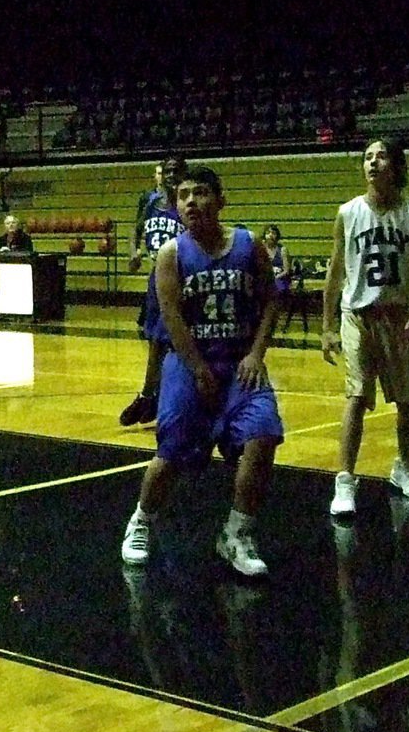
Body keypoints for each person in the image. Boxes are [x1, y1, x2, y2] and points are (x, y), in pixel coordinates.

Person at [120, 166, 284, 577]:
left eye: (201, 193)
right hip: (189, 363)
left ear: (221, 200)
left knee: (264, 435)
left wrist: (257, 354)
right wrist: (196, 368)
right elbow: (172, 318)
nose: (191, 201)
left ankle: (236, 532)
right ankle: (141, 520)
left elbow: (271, 301)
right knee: (171, 454)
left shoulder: (248, 245)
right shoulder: (171, 254)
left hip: (240, 363)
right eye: (184, 195)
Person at [321, 138, 409, 517]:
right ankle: (344, 479)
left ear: (395, 165)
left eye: (380, 156)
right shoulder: (348, 212)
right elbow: (335, 270)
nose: (372, 162)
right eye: (367, 157)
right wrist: (327, 326)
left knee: (407, 399)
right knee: (355, 397)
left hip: (399, 314)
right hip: (357, 315)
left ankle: (404, 464)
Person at [119, 155, 186, 426]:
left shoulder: (186, 205)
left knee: (172, 342)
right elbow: (134, 231)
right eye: (166, 171)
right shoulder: (149, 202)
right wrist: (134, 252)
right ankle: (152, 396)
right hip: (155, 278)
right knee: (155, 340)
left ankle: (151, 395)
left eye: (175, 170)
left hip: (181, 278)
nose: (170, 175)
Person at [261, 224, 291, 297]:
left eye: (273, 233)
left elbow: (286, 271)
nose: (270, 235)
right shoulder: (261, 250)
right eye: (268, 233)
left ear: (277, 236)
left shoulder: (282, 250)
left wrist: (275, 277)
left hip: (279, 279)